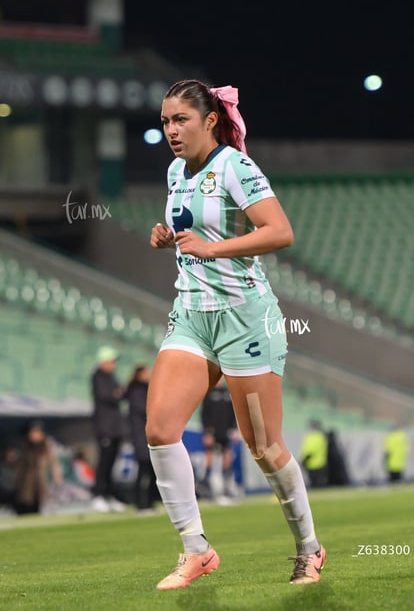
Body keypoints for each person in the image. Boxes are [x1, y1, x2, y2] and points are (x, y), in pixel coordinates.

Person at [146, 79, 326, 590]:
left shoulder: (236, 166)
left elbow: (279, 231)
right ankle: (196, 549)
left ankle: (310, 549)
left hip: (245, 318)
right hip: (192, 315)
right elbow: (193, 235)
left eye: (180, 120)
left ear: (208, 120)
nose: (171, 131)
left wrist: (210, 249)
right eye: (165, 121)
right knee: (160, 429)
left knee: (264, 446)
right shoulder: (175, 171)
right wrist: (169, 241)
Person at [90, 345, 126, 512]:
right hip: (105, 428)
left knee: (111, 463)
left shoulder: (110, 377)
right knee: (104, 463)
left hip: (115, 428)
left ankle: (109, 496)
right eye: (111, 361)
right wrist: (116, 393)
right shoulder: (97, 377)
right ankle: (98, 496)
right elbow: (108, 396)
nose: (114, 364)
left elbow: (119, 394)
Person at [124, 364, 160, 513]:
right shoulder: (136, 391)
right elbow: (144, 410)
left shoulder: (146, 389)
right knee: (143, 470)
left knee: (152, 470)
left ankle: (150, 502)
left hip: (147, 434)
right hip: (140, 435)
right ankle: (140, 503)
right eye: (146, 372)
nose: (149, 374)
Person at [198, 375, 240, 502]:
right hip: (212, 432)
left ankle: (227, 488)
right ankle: (206, 486)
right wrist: (207, 432)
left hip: (225, 432)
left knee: (227, 458)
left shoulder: (227, 393)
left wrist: (234, 429)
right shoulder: (209, 393)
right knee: (209, 456)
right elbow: (204, 414)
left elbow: (233, 413)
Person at [13, 419, 63, 515]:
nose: (34, 435)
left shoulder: (47, 445)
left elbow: (54, 463)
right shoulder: (25, 447)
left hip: (42, 482)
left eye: (37, 432)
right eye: (32, 432)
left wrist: (57, 477)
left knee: (39, 506)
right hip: (27, 484)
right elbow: (20, 467)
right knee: (26, 506)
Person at [300, 420, 328, 488]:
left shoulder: (313, 437)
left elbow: (310, 450)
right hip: (319, 463)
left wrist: (304, 460)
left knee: (315, 484)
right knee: (318, 484)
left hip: (313, 464)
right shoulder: (321, 437)